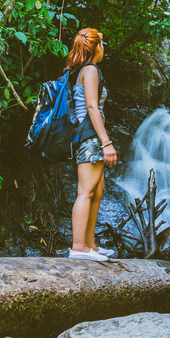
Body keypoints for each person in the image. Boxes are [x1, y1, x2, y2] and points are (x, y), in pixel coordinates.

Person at [66, 28, 118, 260]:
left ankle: (90, 245)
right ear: (96, 46)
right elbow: (91, 107)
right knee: (85, 191)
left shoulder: (82, 70)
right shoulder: (90, 70)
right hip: (90, 136)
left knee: (97, 191)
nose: (104, 47)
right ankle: (79, 248)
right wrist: (106, 142)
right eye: (102, 43)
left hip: (88, 136)